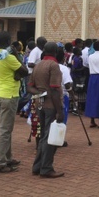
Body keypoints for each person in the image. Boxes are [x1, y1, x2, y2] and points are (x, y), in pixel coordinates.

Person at [0, 31, 28, 174]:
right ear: (9, 41)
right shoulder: (9, 57)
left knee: (6, 129)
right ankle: (0, 162)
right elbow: (24, 71)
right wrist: (17, 54)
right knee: (5, 130)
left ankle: (8, 158)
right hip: (9, 95)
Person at [29, 42, 65, 178]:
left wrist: (39, 93)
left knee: (43, 136)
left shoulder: (38, 65)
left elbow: (29, 87)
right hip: (51, 105)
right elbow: (55, 89)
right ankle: (46, 168)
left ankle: (37, 166)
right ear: (56, 52)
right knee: (50, 138)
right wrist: (60, 111)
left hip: (39, 104)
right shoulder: (53, 66)